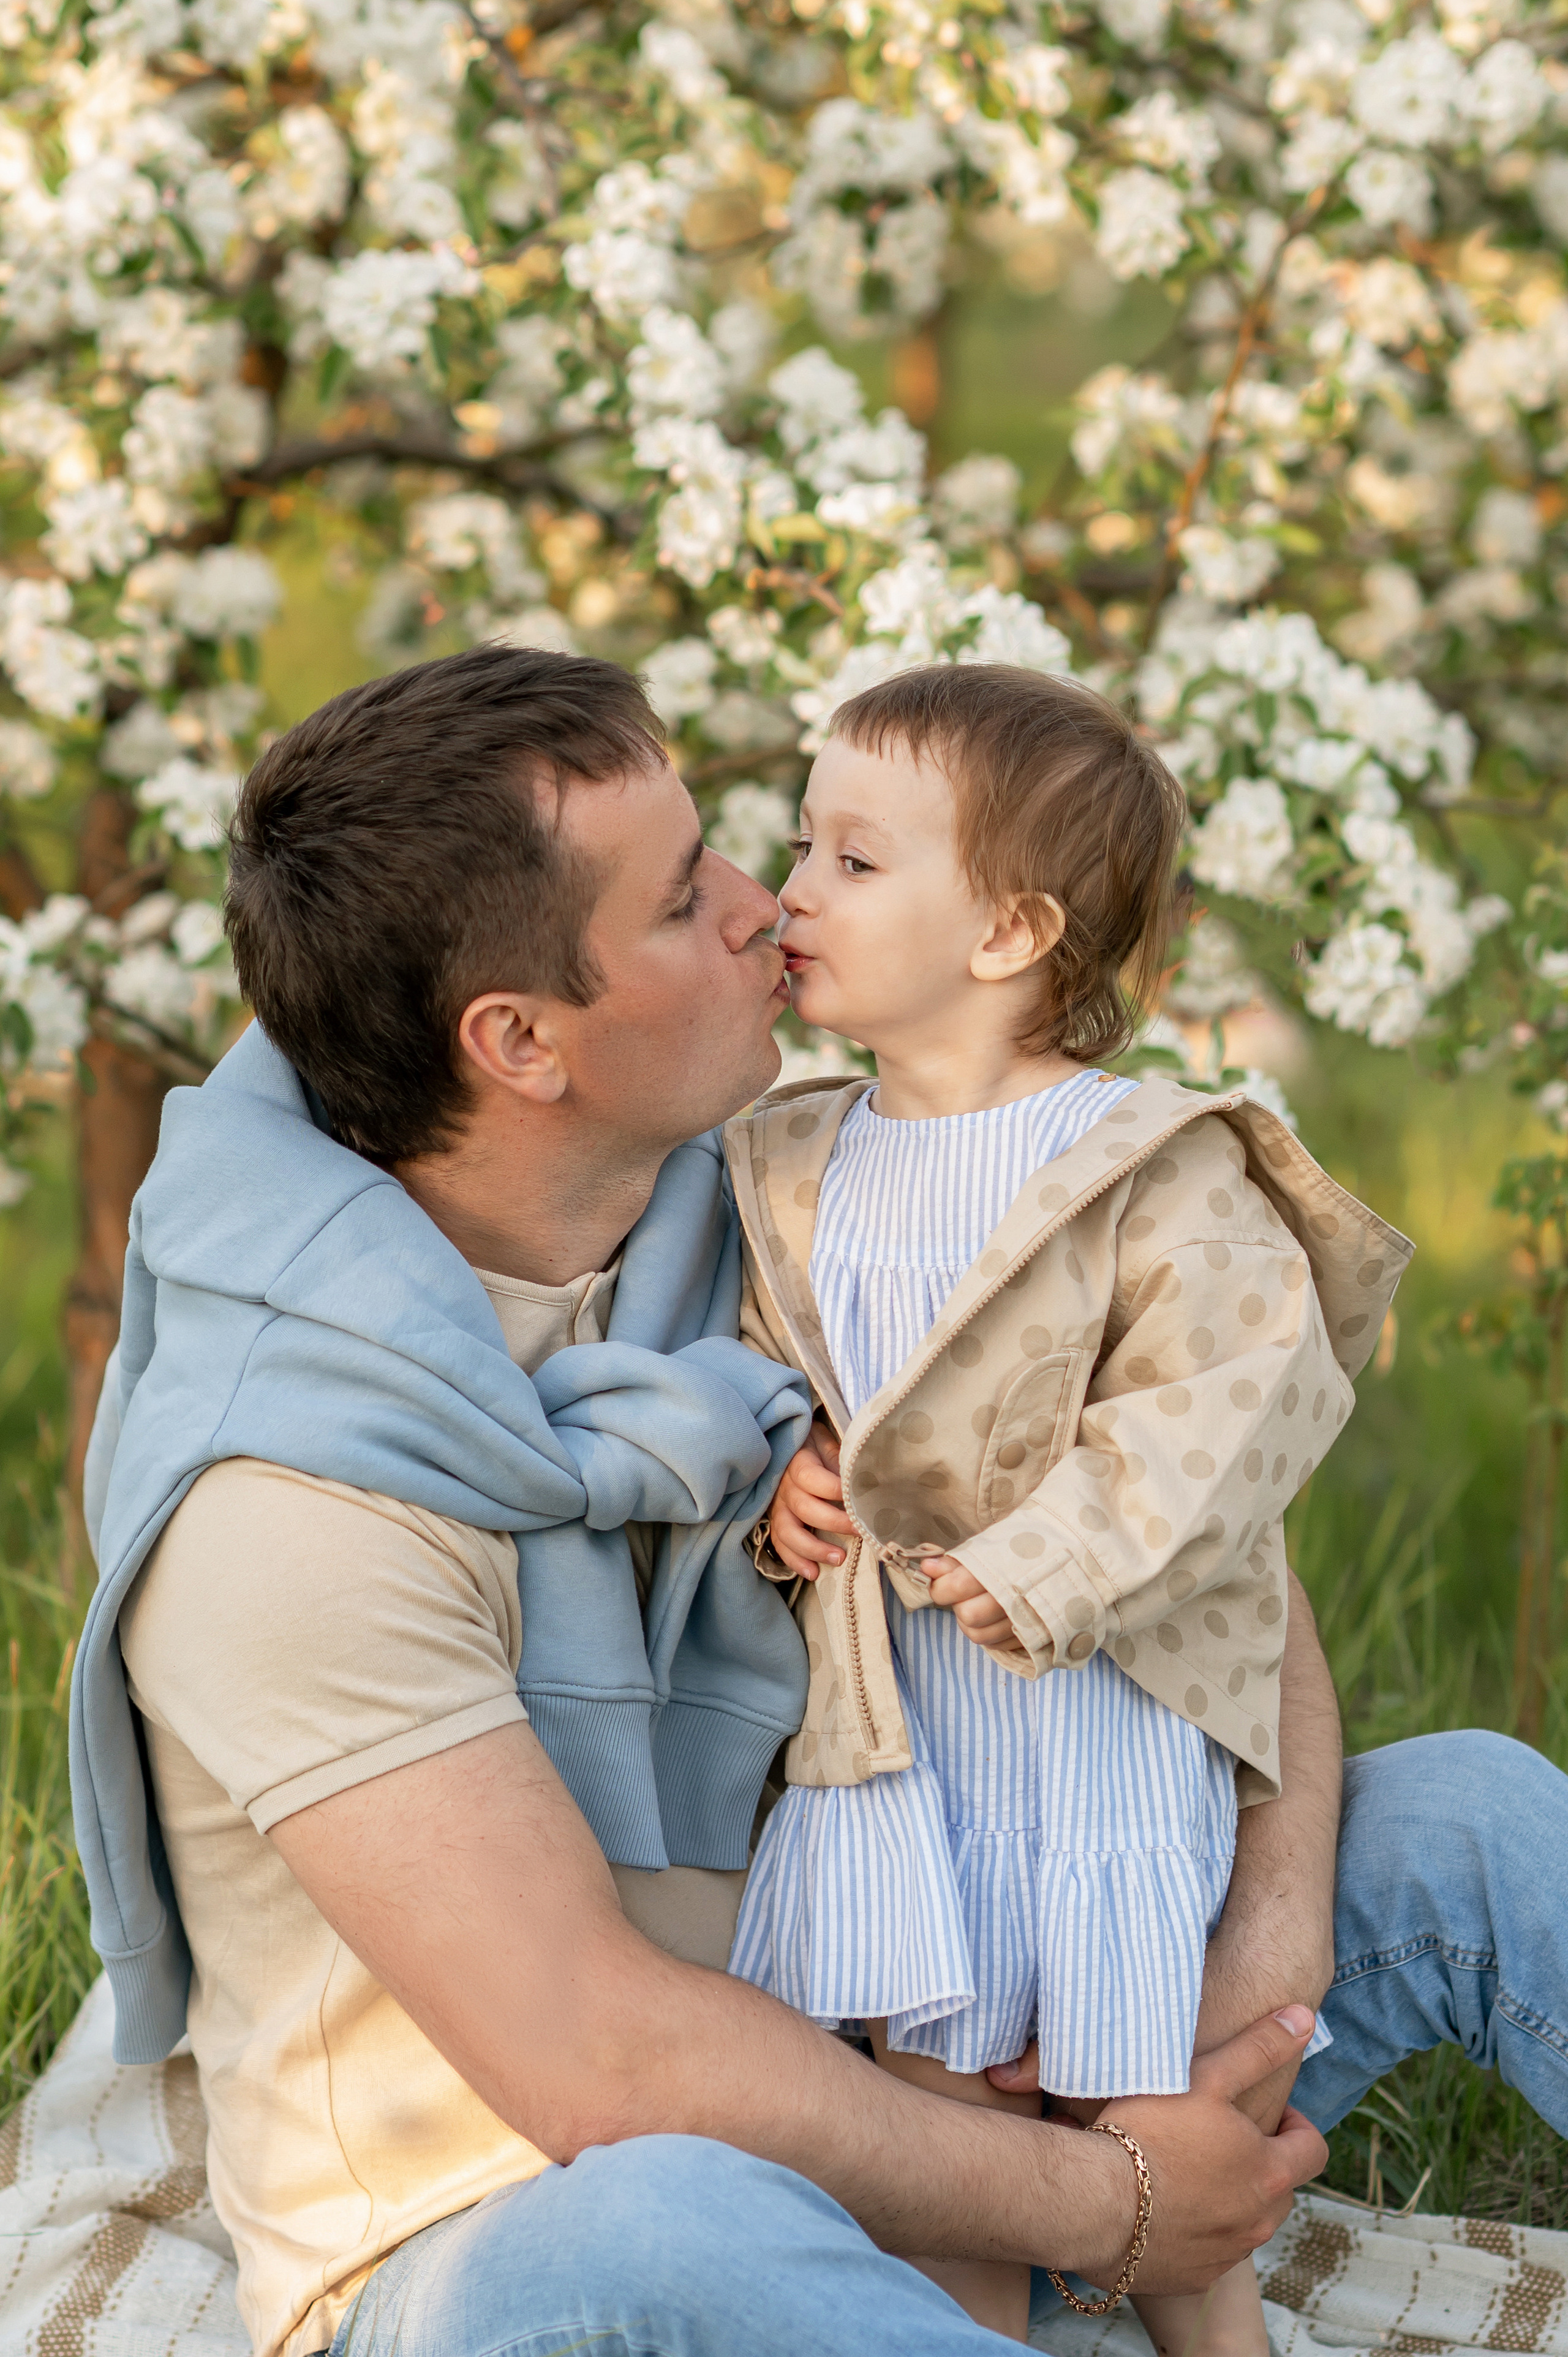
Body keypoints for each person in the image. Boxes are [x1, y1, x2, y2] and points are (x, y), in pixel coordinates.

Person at [64, 645, 1568, 2357]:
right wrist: (1132, 2209)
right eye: (675, 897)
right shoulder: (285, 1498)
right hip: (527, 2234)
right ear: (521, 1042)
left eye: (737, 846)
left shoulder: (783, 1179)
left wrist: (1253, 1961)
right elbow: (601, 2061)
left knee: (1478, 1822)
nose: (757, 905)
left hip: (965, 2039)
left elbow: (1184, 1502)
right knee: (663, 2223)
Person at [724, 664, 1407, 2348]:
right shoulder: (794, 1155)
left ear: (1012, 932)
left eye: (855, 861)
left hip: (1092, 1710)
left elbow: (1229, 1412)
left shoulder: (1152, 1159)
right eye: (801, 844)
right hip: (897, 1726)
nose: (791, 891)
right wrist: (783, 1475)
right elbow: (766, 1365)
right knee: (942, 2133)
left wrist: (1052, 1558)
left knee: (1152, 2105)